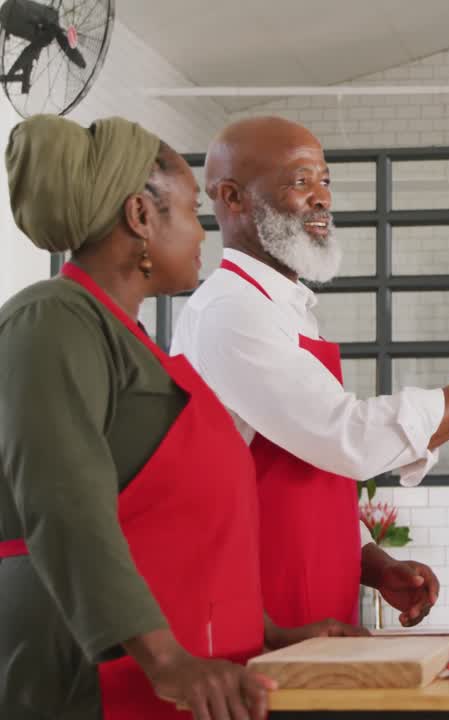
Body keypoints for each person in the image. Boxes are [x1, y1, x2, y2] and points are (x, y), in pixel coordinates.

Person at [171, 116, 449, 630]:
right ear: (232, 198)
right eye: (300, 181)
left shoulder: (282, 308)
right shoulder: (230, 312)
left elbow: (307, 469)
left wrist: (372, 563)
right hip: (261, 616)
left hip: (312, 604)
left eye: (325, 181)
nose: (322, 198)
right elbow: (349, 439)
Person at [0, 115, 274, 719]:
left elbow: (178, 529)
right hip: (88, 670)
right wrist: (166, 660)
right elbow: (61, 501)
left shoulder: (137, 344)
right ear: (140, 217)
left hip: (169, 672)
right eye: (189, 210)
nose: (204, 233)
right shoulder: (52, 319)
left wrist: (274, 636)